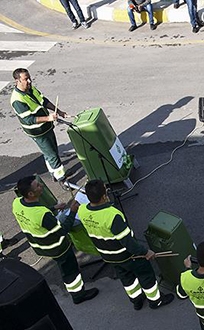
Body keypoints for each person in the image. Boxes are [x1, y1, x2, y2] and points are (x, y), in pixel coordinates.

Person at [78, 179, 174, 310]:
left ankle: (136, 300)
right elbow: (129, 243)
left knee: (127, 279)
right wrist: (146, 252)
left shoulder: (82, 210)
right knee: (146, 275)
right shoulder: (112, 215)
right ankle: (155, 300)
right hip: (128, 256)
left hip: (109, 257)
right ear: (104, 196)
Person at [11, 175, 99, 304]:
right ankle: (78, 294)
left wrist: (53, 209)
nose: (41, 186)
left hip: (39, 245)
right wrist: (73, 211)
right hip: (57, 248)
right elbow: (62, 231)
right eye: (38, 186)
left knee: (65, 265)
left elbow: (35, 215)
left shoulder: (17, 203)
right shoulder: (42, 214)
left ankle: (74, 275)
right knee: (69, 270)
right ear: (30, 193)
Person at [11, 68, 71, 183]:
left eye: (29, 78)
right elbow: (29, 119)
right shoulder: (17, 100)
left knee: (51, 151)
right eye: (25, 79)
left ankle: (54, 173)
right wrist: (48, 118)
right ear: (17, 81)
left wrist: (58, 111)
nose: (29, 81)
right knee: (52, 155)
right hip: (38, 132)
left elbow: (44, 101)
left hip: (46, 127)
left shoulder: (31, 88)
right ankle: (62, 179)